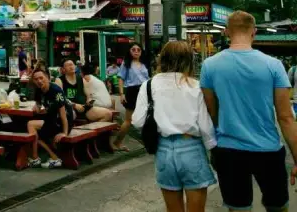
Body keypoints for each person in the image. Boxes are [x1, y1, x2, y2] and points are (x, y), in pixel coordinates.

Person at [200, 11, 297, 212]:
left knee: (239, 208)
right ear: (254, 32)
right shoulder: (274, 65)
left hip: (229, 150)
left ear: (226, 32)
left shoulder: (209, 66)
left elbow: (211, 110)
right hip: (268, 150)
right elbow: (286, 117)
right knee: (278, 207)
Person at [131, 41, 216, 212]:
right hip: (191, 148)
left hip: (164, 151)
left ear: (162, 59)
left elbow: (138, 121)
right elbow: (206, 126)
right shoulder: (195, 86)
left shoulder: (148, 85)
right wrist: (213, 149)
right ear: (189, 60)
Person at [27, 68, 73, 169]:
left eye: (41, 78)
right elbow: (39, 107)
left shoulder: (56, 91)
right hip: (52, 120)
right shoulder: (38, 91)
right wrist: (37, 107)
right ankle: (46, 158)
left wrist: (64, 133)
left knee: (32, 129)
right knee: (33, 131)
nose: (39, 81)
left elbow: (63, 115)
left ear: (47, 78)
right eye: (36, 79)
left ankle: (42, 158)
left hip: (63, 122)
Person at [114, 44, 149, 152]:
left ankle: (147, 141)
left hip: (144, 90)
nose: (136, 51)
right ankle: (117, 142)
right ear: (129, 51)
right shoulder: (126, 63)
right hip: (132, 91)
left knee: (146, 117)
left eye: (138, 50)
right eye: (133, 49)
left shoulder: (144, 64)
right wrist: (121, 94)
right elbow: (121, 78)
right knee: (129, 120)